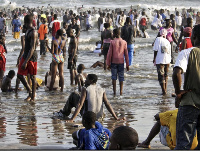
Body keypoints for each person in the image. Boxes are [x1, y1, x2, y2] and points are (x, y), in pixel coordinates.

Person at [172, 24, 200, 150]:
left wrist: (178, 93)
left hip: (190, 102)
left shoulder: (187, 53)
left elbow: (176, 73)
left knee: (184, 143)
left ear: (193, 37)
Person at [54, 74, 121, 121]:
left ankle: (64, 113)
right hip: (100, 117)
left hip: (89, 117)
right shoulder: (102, 89)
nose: (85, 81)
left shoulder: (85, 88)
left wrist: (72, 119)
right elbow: (107, 104)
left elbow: (80, 104)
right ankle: (64, 113)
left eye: (86, 79)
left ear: (90, 81)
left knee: (73, 94)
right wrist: (116, 117)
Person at [17, 15, 38, 101]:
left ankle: (32, 96)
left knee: (32, 77)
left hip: (31, 57)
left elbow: (33, 48)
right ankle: (30, 92)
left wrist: (26, 61)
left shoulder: (33, 32)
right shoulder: (27, 30)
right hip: (25, 55)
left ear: (25, 22)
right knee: (20, 74)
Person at [106, 28, 129, 96]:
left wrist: (108, 63)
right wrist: (127, 64)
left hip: (113, 62)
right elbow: (126, 54)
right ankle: (121, 92)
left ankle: (114, 92)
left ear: (115, 34)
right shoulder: (124, 42)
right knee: (121, 77)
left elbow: (109, 53)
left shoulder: (112, 42)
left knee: (114, 77)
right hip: (121, 62)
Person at [153, 29, 171, 95]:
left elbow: (155, 50)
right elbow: (169, 52)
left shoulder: (158, 39)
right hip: (167, 60)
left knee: (161, 76)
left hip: (160, 60)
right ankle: (165, 90)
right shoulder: (167, 41)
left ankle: (163, 91)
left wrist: (154, 58)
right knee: (166, 75)